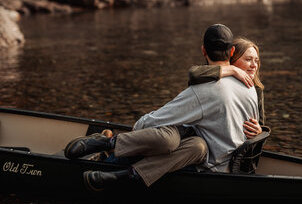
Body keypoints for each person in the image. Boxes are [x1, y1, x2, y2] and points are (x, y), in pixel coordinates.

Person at [64, 24, 259, 191]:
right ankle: (110, 153)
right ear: (232, 52)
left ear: (203, 51)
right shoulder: (250, 86)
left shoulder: (203, 92)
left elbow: (148, 124)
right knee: (186, 142)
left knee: (167, 139)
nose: (253, 64)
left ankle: (108, 149)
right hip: (221, 163)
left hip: (204, 167)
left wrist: (140, 128)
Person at [188, 37, 265, 134]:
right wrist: (233, 70)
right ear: (232, 59)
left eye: (256, 60)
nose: (254, 65)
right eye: (248, 59)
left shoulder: (257, 89)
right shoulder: (213, 79)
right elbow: (194, 73)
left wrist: (260, 130)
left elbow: (262, 125)